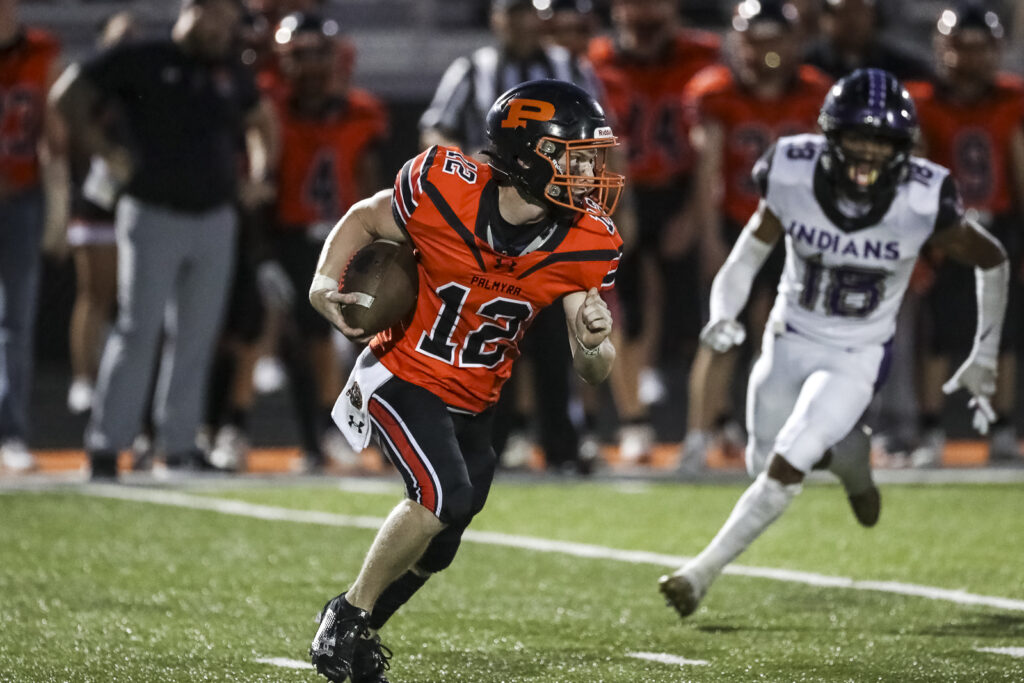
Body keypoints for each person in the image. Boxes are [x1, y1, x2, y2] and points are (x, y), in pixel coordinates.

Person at [659, 69, 1009, 617]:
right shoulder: (792, 172)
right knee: (761, 459)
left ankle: (700, 573)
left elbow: (993, 258)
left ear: (902, 146)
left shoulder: (923, 196)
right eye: (857, 138)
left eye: (883, 141)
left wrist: (984, 353)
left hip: (856, 353)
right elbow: (749, 251)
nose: (869, 153)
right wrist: (724, 312)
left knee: (787, 465)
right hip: (788, 337)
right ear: (829, 136)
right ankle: (850, 460)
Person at [306, 79, 622, 681]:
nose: (590, 172)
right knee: (440, 495)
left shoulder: (586, 240)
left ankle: (362, 633)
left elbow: (594, 368)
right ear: (528, 154)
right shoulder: (442, 186)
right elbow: (365, 217)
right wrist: (323, 284)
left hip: (477, 397)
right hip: (401, 372)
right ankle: (345, 615)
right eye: (574, 156)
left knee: (442, 546)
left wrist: (591, 341)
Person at [51, 0, 279, 480]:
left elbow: (262, 122)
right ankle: (106, 446)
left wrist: (259, 173)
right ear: (191, 9)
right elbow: (67, 95)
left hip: (216, 216)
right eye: (215, 15)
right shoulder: (144, 57)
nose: (223, 27)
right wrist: (104, 151)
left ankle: (177, 446)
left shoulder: (228, 71)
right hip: (152, 212)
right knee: (138, 328)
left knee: (196, 337)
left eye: (229, 19)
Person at [420, 0, 607, 474]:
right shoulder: (473, 69)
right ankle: (491, 440)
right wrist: (470, 185)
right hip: (492, 224)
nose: (525, 22)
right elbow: (436, 133)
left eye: (532, 12)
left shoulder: (571, 67)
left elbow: (603, 139)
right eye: (515, 11)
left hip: (556, 219)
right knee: (495, 331)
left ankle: (564, 439)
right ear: (496, 18)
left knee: (555, 337)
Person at [681, 0, 831, 470]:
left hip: (797, 230)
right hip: (740, 225)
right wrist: (710, 239)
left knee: (794, 335)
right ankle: (698, 438)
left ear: (793, 42)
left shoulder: (815, 92)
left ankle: (796, 436)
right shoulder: (716, 91)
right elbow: (708, 175)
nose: (763, 50)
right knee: (722, 331)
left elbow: (830, 174)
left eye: (772, 39)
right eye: (754, 39)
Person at [589, 0, 720, 462]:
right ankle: (634, 422)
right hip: (618, 190)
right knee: (623, 308)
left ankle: (714, 423)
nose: (644, 24)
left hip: (681, 187)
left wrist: (695, 215)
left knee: (701, 309)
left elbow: (708, 143)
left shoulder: (702, 55)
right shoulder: (597, 62)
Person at [906, 2, 1023, 466]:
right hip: (946, 231)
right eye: (961, 47)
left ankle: (1001, 426)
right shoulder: (922, 100)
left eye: (979, 48)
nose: (969, 58)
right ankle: (931, 428)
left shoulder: (1012, 99)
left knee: (1005, 334)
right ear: (942, 49)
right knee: (937, 334)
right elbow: (915, 175)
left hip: (1000, 227)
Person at [63, 10, 140, 416]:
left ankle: (118, 392)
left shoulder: (144, 85)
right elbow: (65, 139)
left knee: (133, 306)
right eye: (120, 35)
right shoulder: (88, 84)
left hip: (138, 203)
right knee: (95, 294)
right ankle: (83, 378)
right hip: (96, 201)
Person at [0, 0, 64, 472]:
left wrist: (58, 204)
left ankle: (12, 432)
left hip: (22, 198)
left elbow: (53, 135)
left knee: (14, 323)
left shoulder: (42, 52)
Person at [804, 0, 934, 82]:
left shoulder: (900, 67)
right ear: (824, 19)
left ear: (874, 15)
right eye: (843, 12)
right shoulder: (808, 64)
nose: (852, 20)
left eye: (859, 11)